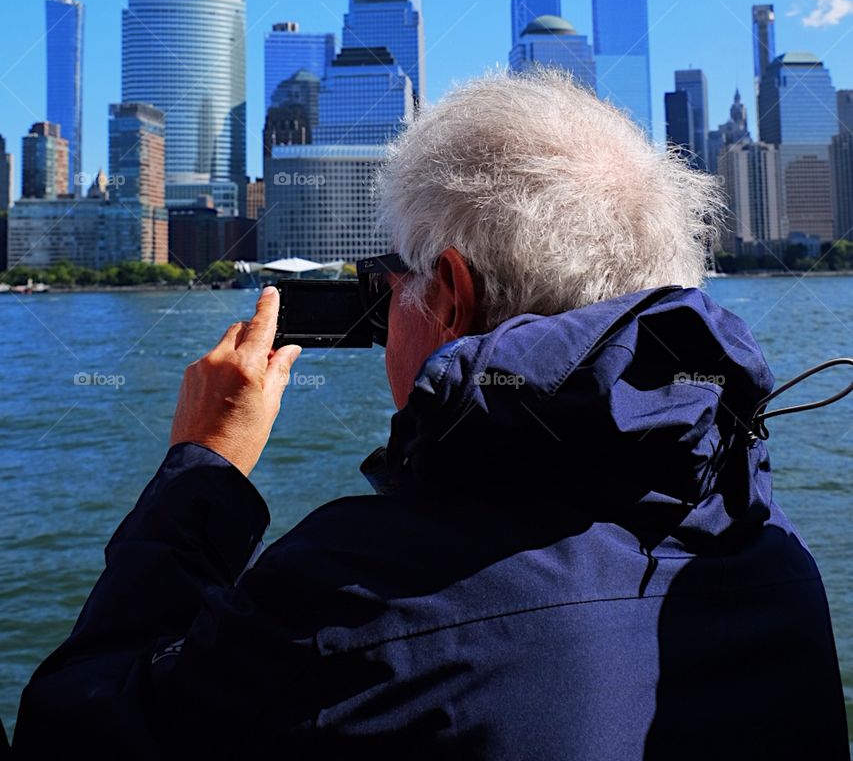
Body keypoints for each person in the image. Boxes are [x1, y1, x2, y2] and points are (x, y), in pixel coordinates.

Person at [12, 69, 849, 759]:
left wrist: (204, 468)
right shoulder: (768, 548)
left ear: (446, 293)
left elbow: (74, 737)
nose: (381, 305)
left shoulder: (350, 599)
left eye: (386, 277)